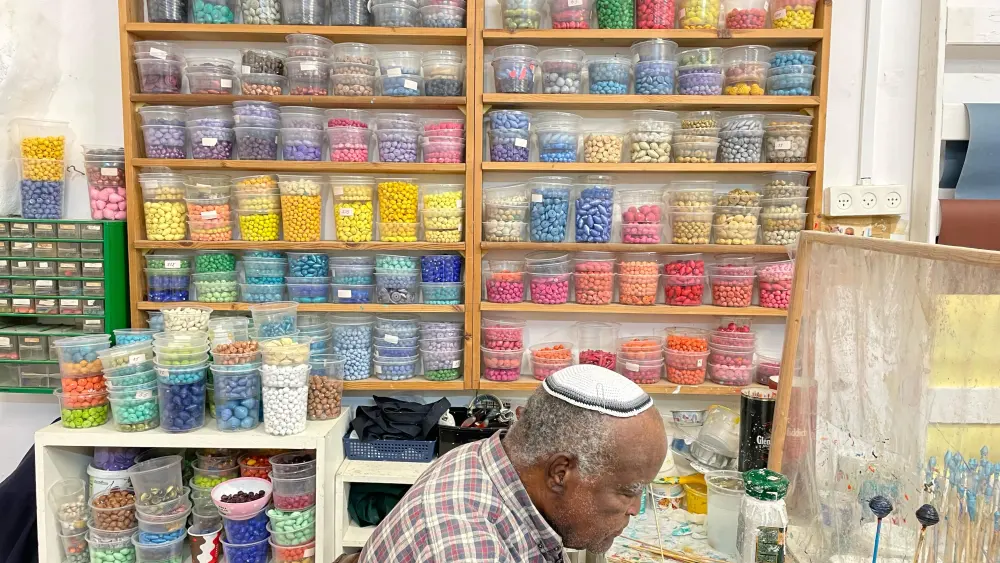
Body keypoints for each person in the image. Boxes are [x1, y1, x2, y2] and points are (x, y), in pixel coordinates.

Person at [358, 365, 668, 562]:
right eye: (629, 491)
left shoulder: (486, 457)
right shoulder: (471, 551)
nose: (634, 509)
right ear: (560, 472)